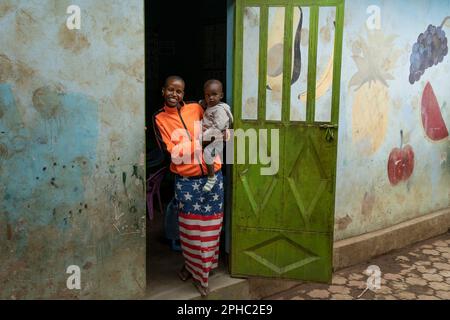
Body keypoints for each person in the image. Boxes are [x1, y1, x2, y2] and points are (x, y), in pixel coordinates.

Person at [153, 76, 225, 297]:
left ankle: (201, 267)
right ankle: (198, 273)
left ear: (184, 94)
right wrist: (199, 142)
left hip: (214, 178)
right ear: (163, 91)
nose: (175, 94)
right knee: (192, 233)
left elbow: (215, 128)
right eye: (171, 90)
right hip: (187, 183)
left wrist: (224, 135)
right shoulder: (159, 119)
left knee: (213, 228)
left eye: (180, 91)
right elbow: (172, 153)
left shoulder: (196, 108)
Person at [200, 80, 234, 192]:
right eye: (207, 95)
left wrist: (203, 137)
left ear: (221, 95)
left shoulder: (220, 110)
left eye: (214, 94)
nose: (210, 98)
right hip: (210, 137)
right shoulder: (210, 106)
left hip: (217, 141)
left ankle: (211, 177)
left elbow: (218, 128)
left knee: (208, 153)